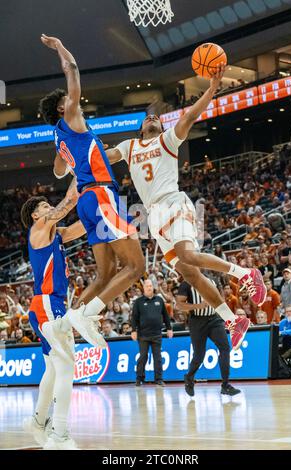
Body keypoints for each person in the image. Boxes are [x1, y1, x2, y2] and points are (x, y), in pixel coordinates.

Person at [106, 65, 266, 350]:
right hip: (154, 217)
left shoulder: (168, 140)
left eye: (156, 117)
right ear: (141, 127)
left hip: (174, 202)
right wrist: (81, 155)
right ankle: (233, 320)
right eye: (147, 118)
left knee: (187, 255)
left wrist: (213, 88)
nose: (151, 119)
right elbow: (105, 158)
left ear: (161, 126)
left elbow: (191, 115)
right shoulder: (129, 146)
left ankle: (245, 274)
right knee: (190, 273)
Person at [39, 34, 145, 339]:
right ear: (62, 108)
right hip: (101, 195)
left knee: (105, 273)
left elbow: (59, 172)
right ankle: (86, 315)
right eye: (69, 102)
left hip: (88, 201)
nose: (76, 104)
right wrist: (60, 47)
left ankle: (63, 327)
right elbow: (72, 69)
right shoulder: (71, 117)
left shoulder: (59, 139)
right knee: (136, 266)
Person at [20, 182, 95, 450]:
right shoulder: (38, 229)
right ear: (36, 216)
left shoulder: (56, 233)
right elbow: (68, 202)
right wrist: (81, 170)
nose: (49, 208)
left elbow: (83, 226)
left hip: (45, 306)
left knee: (52, 370)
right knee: (66, 369)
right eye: (44, 207)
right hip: (49, 305)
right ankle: (60, 432)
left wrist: (101, 208)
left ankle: (39, 422)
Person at [176, 280, 240, 397]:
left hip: (214, 319)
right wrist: (198, 306)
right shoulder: (187, 283)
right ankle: (189, 377)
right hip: (197, 321)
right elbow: (179, 304)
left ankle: (225, 385)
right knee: (199, 356)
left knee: (225, 348)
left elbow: (220, 299)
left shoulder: (211, 280)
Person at [131, 279, 173, 386]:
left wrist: (169, 328)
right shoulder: (138, 302)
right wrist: (133, 331)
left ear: (152, 287)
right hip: (143, 335)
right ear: (144, 288)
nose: (149, 288)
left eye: (150, 286)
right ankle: (139, 378)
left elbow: (166, 316)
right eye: (147, 286)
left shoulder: (159, 300)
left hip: (157, 334)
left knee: (158, 357)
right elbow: (134, 318)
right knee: (143, 357)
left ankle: (158, 379)